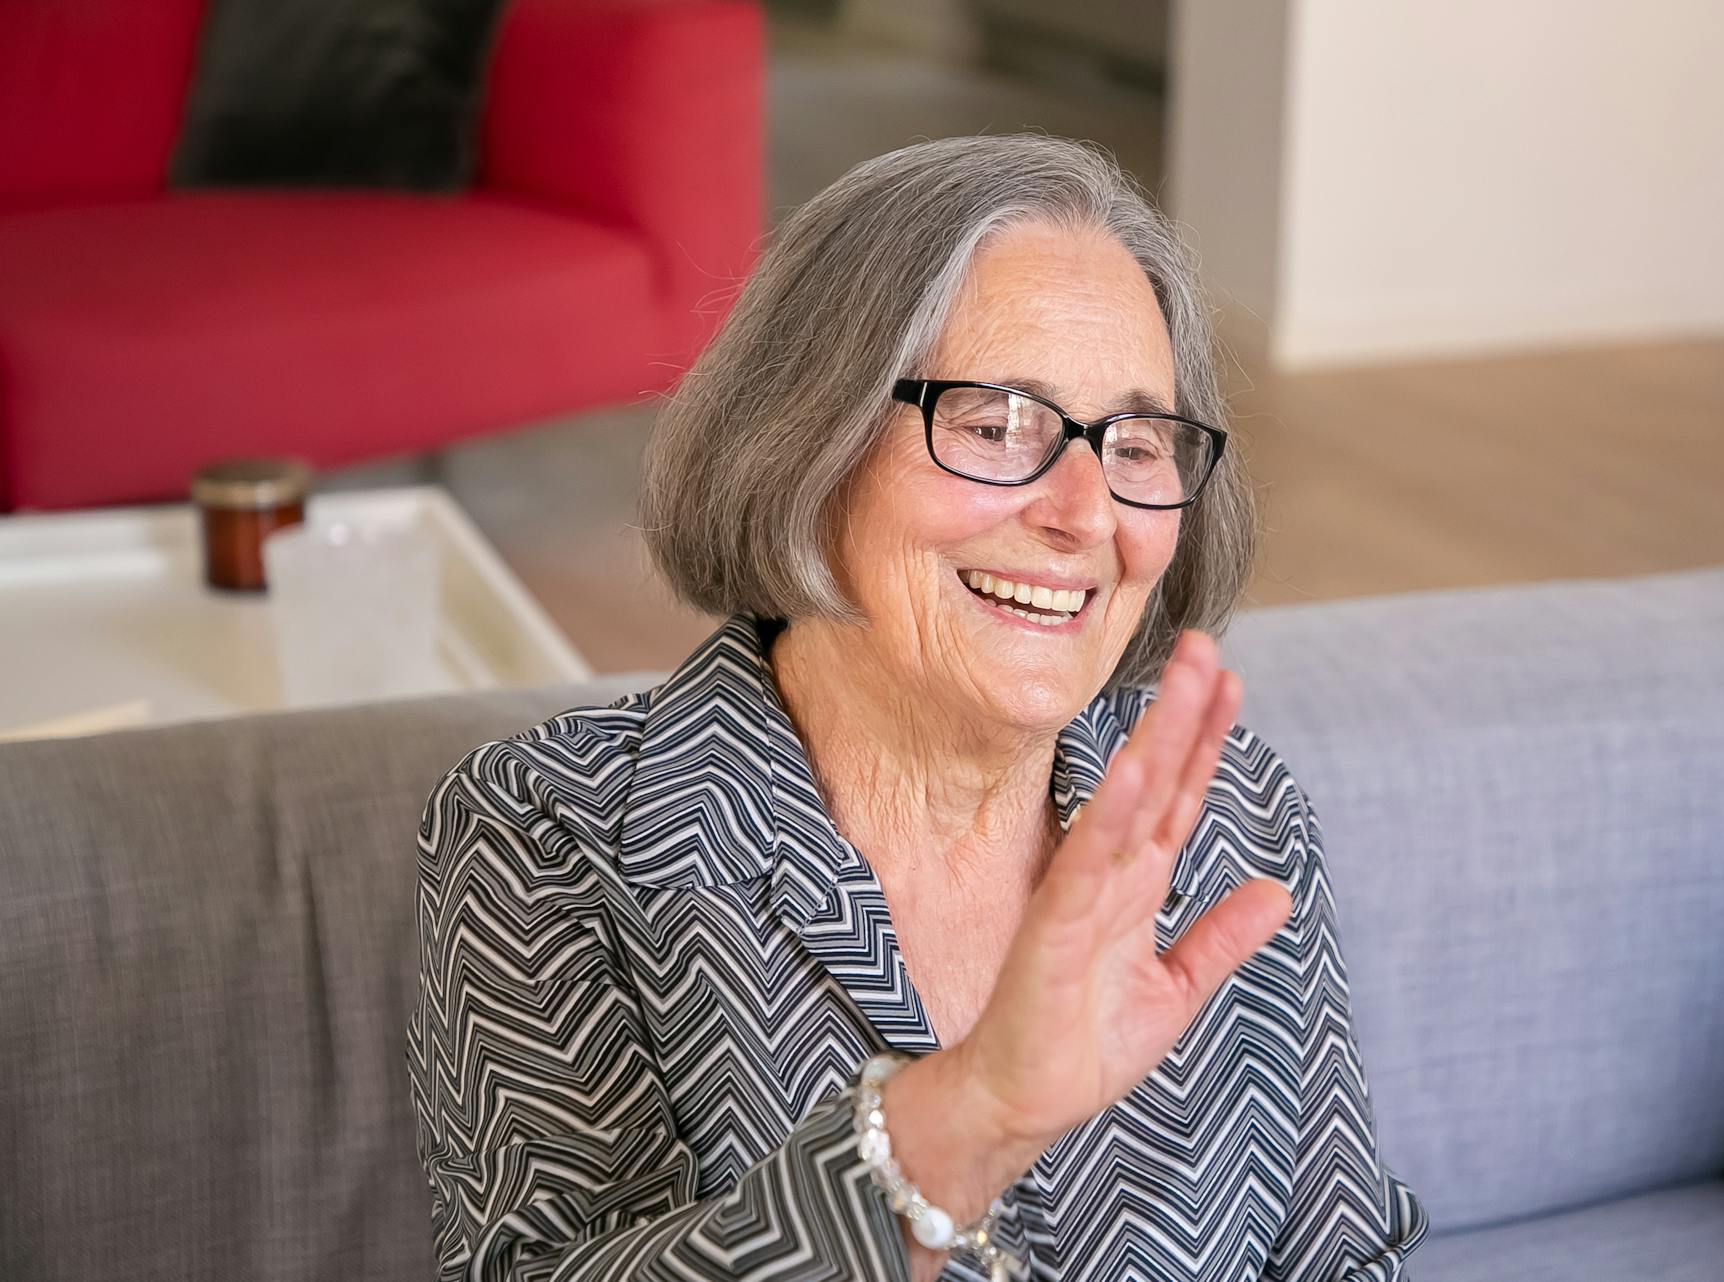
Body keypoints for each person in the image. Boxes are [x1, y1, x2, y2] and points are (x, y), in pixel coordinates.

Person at [405, 133, 1428, 1281]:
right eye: (996, 424)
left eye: (1136, 442)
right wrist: (957, 1126)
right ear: (810, 437)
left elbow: (1345, 1254)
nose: (1087, 512)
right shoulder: (557, 832)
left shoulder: (1233, 813)